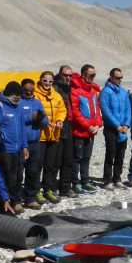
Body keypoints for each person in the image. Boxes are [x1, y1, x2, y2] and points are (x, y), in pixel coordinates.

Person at [0, 81, 28, 213]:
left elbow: (22, 128)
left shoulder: (19, 107)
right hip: (4, 149)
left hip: (17, 149)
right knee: (5, 178)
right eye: (16, 94)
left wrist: (25, 146)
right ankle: (2, 205)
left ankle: (15, 200)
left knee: (17, 177)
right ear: (8, 93)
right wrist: (1, 148)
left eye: (20, 95)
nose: (18, 97)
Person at [70, 64, 103, 194]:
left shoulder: (93, 91)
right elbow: (75, 112)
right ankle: (75, 182)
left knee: (87, 158)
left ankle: (85, 181)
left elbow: (98, 110)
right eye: (91, 75)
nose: (93, 77)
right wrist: (88, 126)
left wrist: (97, 125)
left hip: (91, 132)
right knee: (77, 158)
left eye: (94, 75)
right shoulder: (75, 90)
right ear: (83, 75)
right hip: (80, 131)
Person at [36, 71, 67, 204]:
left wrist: (60, 120)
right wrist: (44, 122)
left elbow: (62, 110)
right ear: (40, 80)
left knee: (50, 165)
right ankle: (36, 190)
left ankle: (48, 189)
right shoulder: (36, 95)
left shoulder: (57, 95)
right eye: (45, 81)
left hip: (54, 134)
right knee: (37, 165)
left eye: (50, 81)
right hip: (40, 135)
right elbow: (35, 112)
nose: (48, 84)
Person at [19, 78, 49, 209]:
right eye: (26, 91)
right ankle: (16, 198)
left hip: (35, 142)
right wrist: (31, 118)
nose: (29, 93)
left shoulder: (37, 102)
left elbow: (45, 121)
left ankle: (30, 197)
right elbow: (16, 121)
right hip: (21, 143)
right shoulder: (18, 102)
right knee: (18, 172)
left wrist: (41, 119)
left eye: (31, 91)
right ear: (22, 90)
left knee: (34, 171)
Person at [99, 67, 131, 189]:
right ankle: (107, 180)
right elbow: (105, 110)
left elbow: (128, 109)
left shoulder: (123, 92)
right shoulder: (105, 92)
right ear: (111, 77)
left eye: (121, 78)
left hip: (123, 128)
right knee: (110, 154)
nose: (119, 80)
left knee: (120, 155)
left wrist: (127, 124)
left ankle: (117, 178)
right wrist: (116, 125)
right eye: (117, 78)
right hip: (111, 128)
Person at [54, 65, 76, 198]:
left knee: (68, 159)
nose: (68, 77)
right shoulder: (55, 88)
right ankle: (50, 187)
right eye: (65, 75)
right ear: (60, 75)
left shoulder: (70, 88)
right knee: (55, 161)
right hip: (58, 127)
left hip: (69, 127)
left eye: (70, 75)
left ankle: (65, 187)